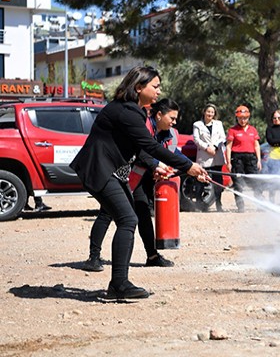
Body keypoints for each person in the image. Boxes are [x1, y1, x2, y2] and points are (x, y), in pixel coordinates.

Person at [70, 66, 208, 299]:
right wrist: (188, 166)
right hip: (100, 170)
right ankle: (119, 284)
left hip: (111, 170)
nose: (158, 90)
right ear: (138, 87)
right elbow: (151, 146)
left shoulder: (133, 111)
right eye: (155, 86)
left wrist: (158, 165)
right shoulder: (128, 112)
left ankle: (119, 283)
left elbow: (139, 148)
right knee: (127, 219)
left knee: (129, 218)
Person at [81, 98, 185, 273]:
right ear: (159, 115)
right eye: (172, 118)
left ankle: (152, 256)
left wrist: (191, 167)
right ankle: (93, 257)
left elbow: (170, 154)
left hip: (139, 178)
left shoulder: (165, 132)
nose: (174, 122)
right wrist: (157, 165)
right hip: (121, 174)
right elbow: (142, 152)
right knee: (107, 214)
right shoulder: (142, 124)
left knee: (143, 212)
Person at [226, 105, 262, 212]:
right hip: (237, 159)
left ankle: (260, 205)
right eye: (240, 118)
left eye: (245, 118)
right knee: (238, 183)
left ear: (248, 117)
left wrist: (259, 160)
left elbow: (256, 145)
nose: (243, 120)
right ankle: (240, 206)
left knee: (256, 182)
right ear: (237, 118)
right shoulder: (233, 130)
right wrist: (228, 162)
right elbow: (229, 146)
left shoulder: (253, 130)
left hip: (251, 158)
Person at [192, 103, 226, 212]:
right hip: (204, 155)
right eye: (208, 111)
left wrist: (215, 147)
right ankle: (198, 203)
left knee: (218, 181)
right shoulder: (197, 124)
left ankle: (218, 203)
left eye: (212, 112)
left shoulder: (218, 124)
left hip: (216, 155)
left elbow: (222, 137)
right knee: (201, 180)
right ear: (204, 112)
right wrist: (207, 148)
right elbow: (196, 139)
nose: (210, 114)